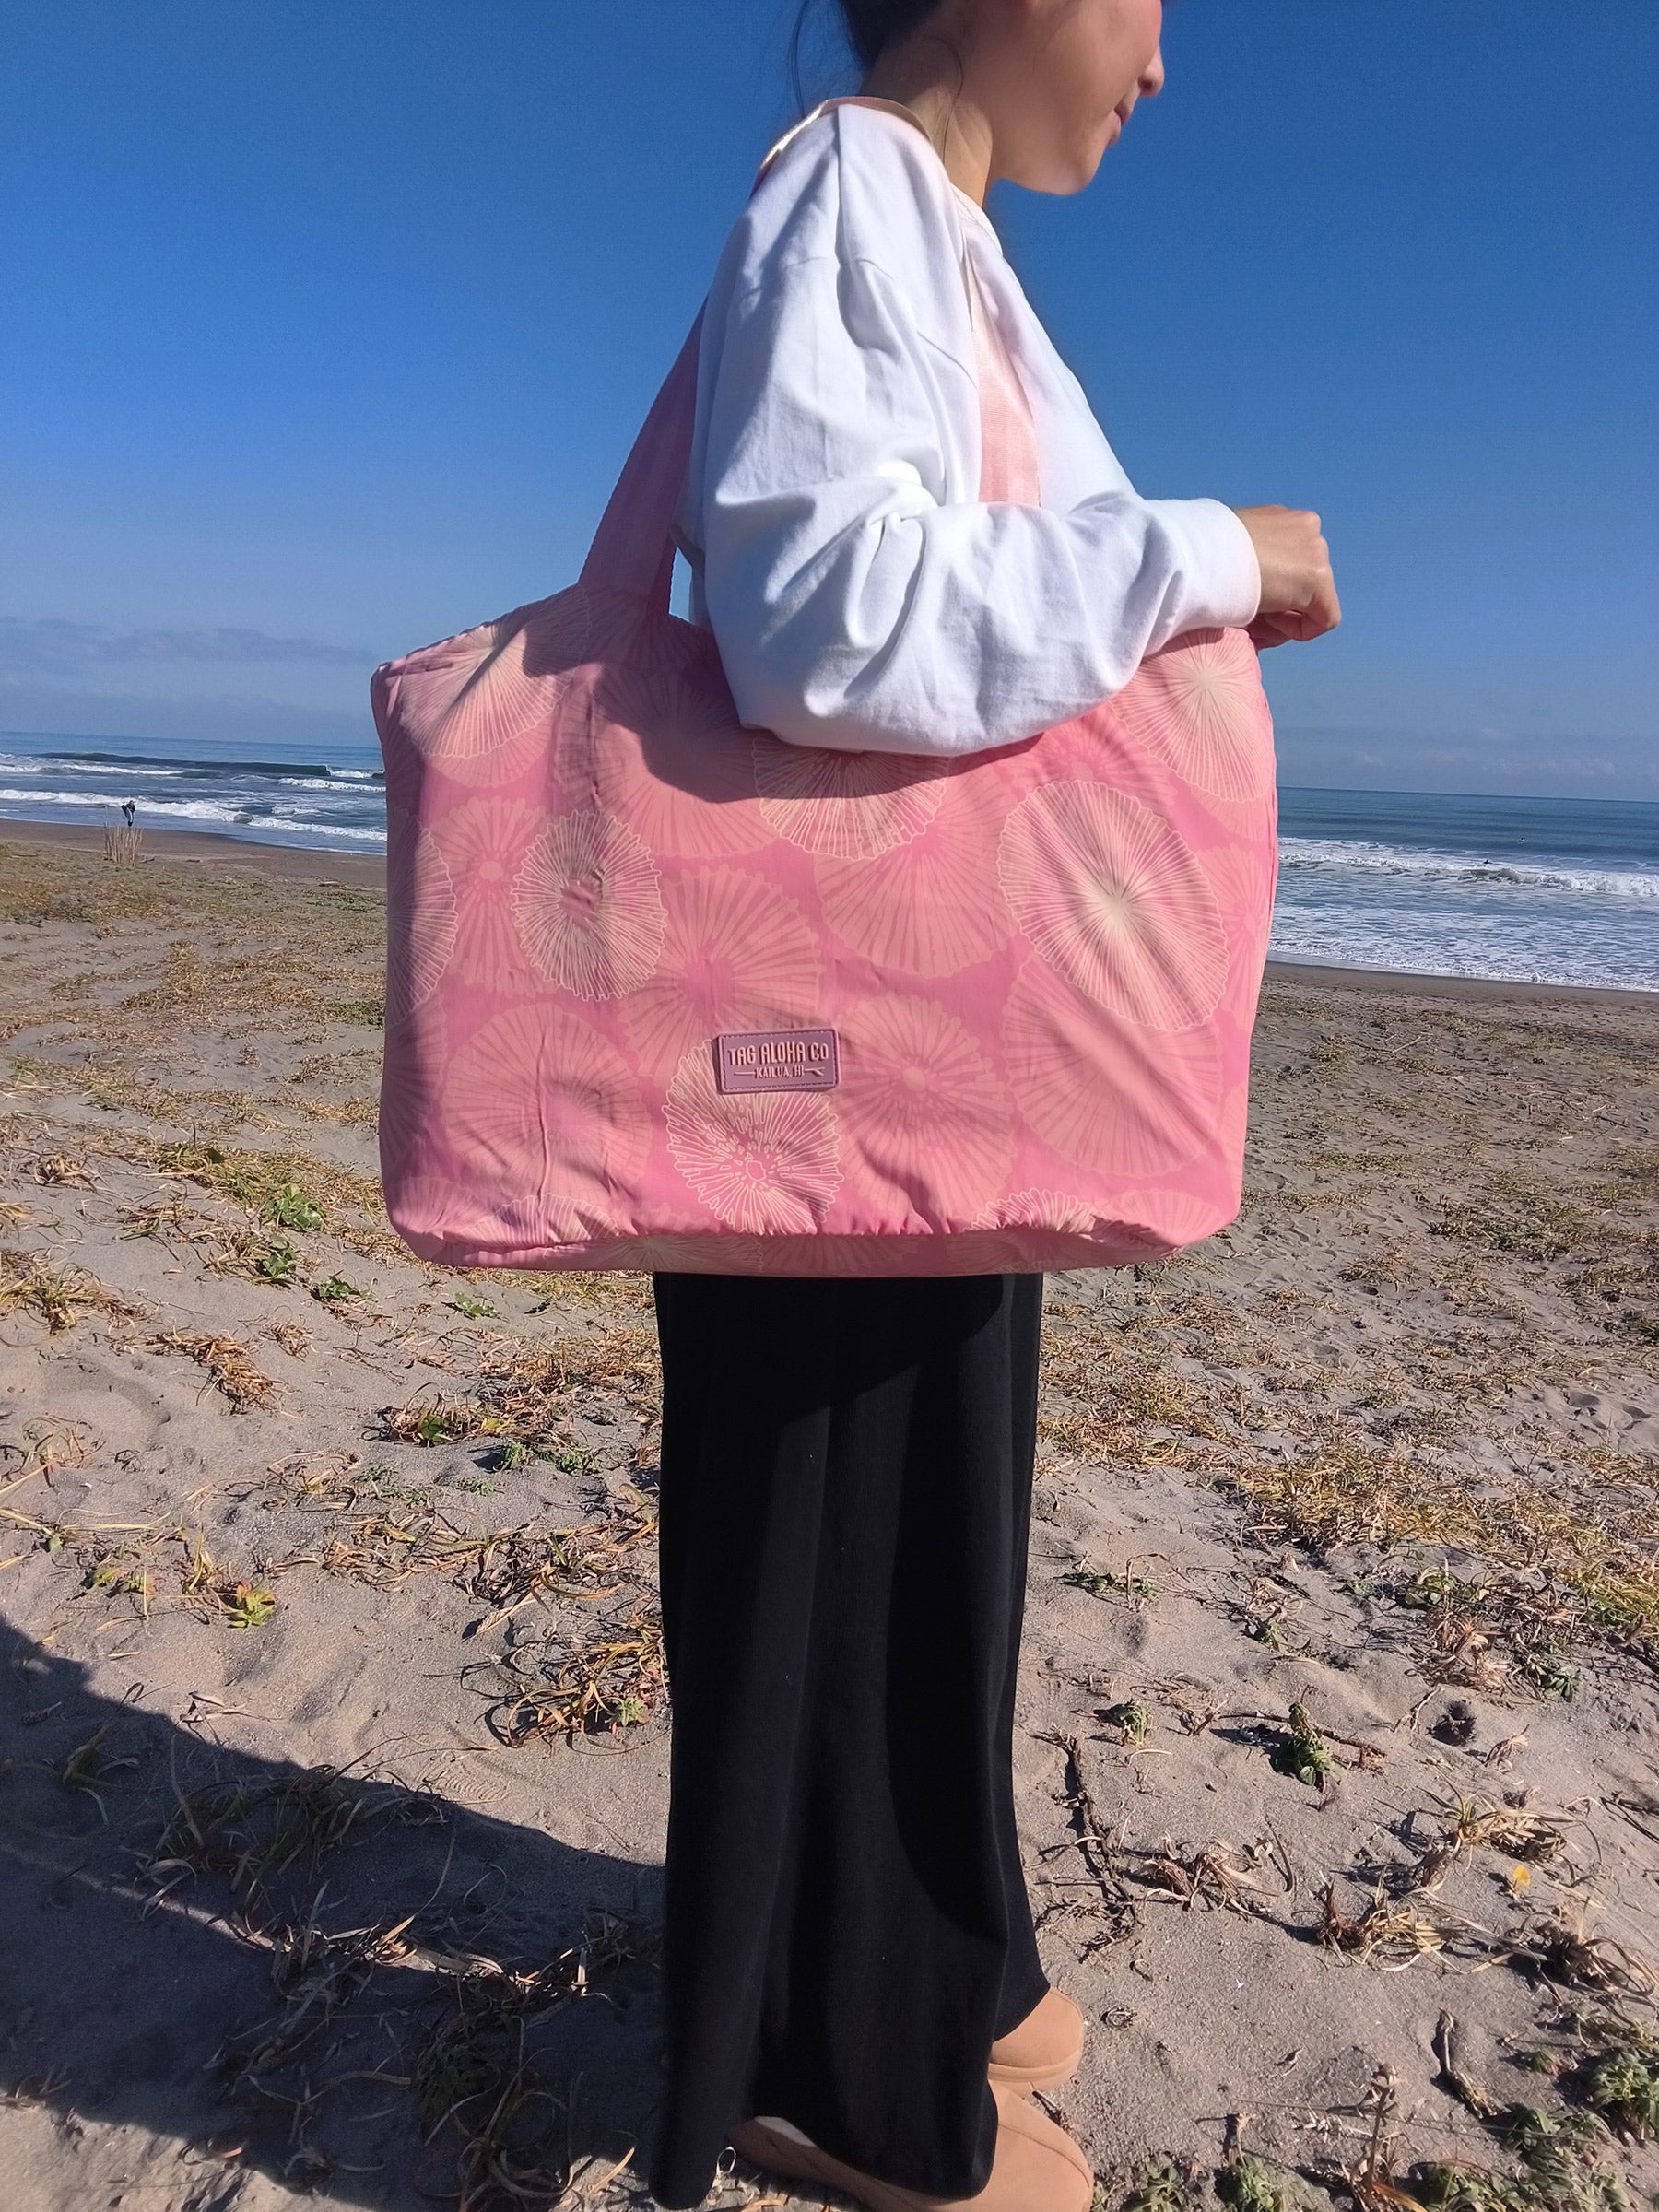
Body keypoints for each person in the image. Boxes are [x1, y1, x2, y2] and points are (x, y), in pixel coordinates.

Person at [649, 5, 1340, 2210]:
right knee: (840, 1537)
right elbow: (827, 621)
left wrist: (1170, 583)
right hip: (837, 1042)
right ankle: (827, 2065)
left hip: (923, 1026)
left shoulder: (932, 230)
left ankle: (933, 1957)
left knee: (930, 1517)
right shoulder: (848, 188)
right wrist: (1207, 552)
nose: (1165, 59)